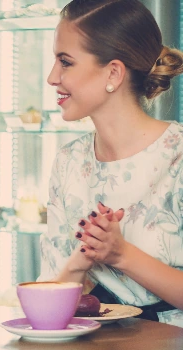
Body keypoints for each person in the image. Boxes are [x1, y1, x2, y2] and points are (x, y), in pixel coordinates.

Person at [39, 0, 183, 327]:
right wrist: (78, 263)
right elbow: (49, 303)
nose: (51, 77)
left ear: (113, 73)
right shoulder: (69, 162)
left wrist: (121, 254)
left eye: (65, 62)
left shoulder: (178, 155)